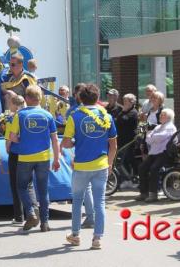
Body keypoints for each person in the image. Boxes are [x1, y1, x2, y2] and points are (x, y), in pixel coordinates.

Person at [62, 84, 117, 250]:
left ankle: (75, 235)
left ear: (80, 98)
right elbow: (113, 144)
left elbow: (66, 143)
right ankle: (97, 238)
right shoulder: (106, 116)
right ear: (98, 97)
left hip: (81, 166)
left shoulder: (75, 116)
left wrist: (75, 141)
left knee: (77, 201)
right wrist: (110, 163)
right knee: (100, 202)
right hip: (101, 165)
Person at [9, 85, 60, 232]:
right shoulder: (48, 115)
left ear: (27, 98)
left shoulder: (20, 115)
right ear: (40, 98)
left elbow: (13, 137)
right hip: (44, 157)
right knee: (43, 191)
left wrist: (21, 140)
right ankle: (45, 223)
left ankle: (31, 212)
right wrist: (56, 159)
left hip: (25, 157)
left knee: (21, 186)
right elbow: (55, 139)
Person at [4, 95, 39, 225]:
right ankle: (33, 211)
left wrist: (8, 147)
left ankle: (19, 216)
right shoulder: (31, 115)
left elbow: (9, 138)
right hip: (29, 152)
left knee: (15, 184)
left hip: (15, 152)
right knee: (29, 183)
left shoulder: (13, 117)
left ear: (13, 104)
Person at [135, 109, 177, 203]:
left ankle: (153, 194)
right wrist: (152, 137)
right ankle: (143, 193)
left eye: (163, 115)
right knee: (142, 167)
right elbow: (148, 140)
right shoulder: (158, 127)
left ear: (169, 117)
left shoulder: (170, 127)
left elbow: (158, 137)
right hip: (154, 152)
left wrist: (152, 136)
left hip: (164, 153)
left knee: (154, 169)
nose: (161, 116)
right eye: (161, 114)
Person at [116, 94, 139, 189]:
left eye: (126, 101)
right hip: (121, 140)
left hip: (129, 141)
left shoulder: (133, 112)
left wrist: (123, 112)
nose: (124, 103)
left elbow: (125, 120)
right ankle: (127, 179)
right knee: (123, 161)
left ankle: (135, 179)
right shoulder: (123, 112)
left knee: (130, 160)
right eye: (124, 101)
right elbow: (118, 121)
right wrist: (122, 112)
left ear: (132, 102)